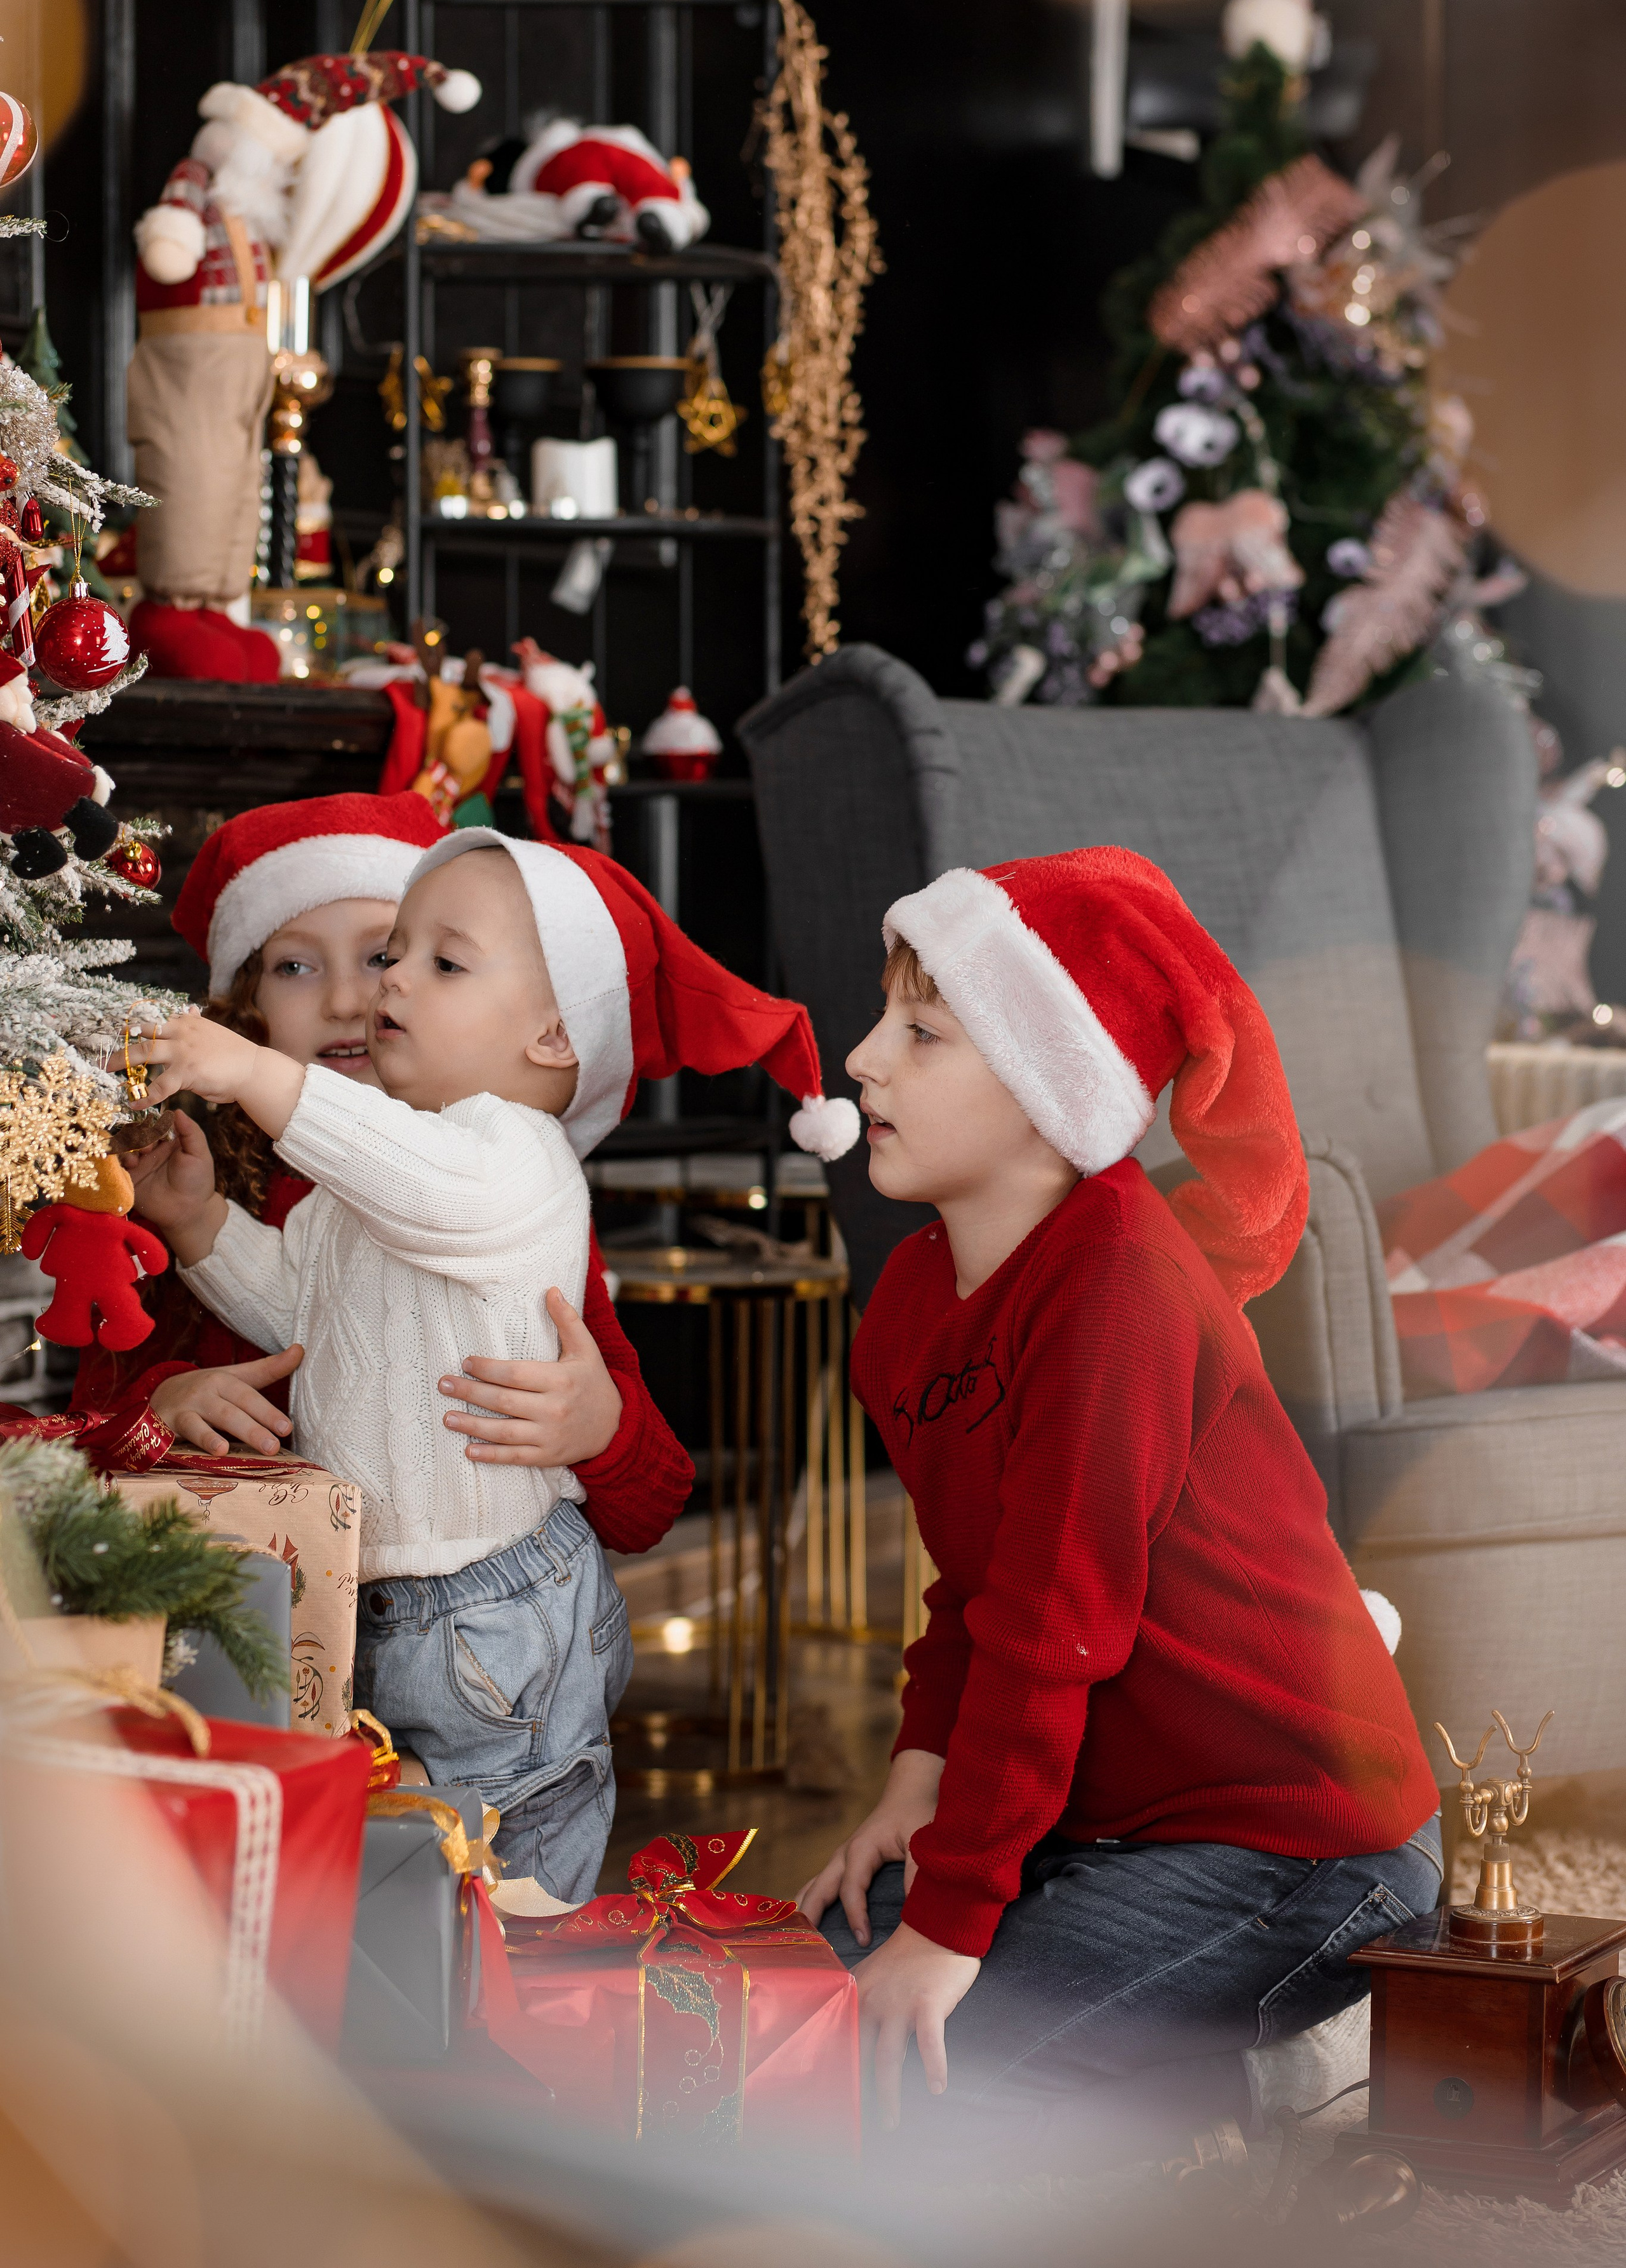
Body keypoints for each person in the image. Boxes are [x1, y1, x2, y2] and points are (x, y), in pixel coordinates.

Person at [796, 847, 1441, 2159]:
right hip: (1104, 1825)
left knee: (926, 2064)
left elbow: (1051, 1626)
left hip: (1301, 1849)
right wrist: (912, 1793)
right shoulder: (914, 1306)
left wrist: (950, 1923)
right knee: (806, 2002)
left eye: (920, 1033)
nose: (862, 1059)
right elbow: (970, 1593)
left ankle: (1264, 2074)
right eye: (883, 1020)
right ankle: (1170, 2055)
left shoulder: (1114, 1290)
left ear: (1046, 1092)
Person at [130, 825, 856, 1894]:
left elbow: (427, 1180)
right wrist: (200, 1229)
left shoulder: (512, 1156)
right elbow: (298, 1312)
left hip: (492, 1607)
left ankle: (521, 2038)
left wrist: (245, 1073)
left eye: (441, 961)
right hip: (388, 1599)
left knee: (498, 1885)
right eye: (399, 955)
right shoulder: (359, 1191)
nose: (388, 984)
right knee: (416, 1891)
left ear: (555, 1037)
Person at [85, 794, 687, 1558]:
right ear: (244, 1009)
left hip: (475, 1606)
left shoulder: (503, 1182)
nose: (353, 999)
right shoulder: (192, 1174)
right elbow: (75, 1451)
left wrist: (601, 1428)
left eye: (383, 956)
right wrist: (163, 1401)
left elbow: (652, 1505)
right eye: (295, 966)